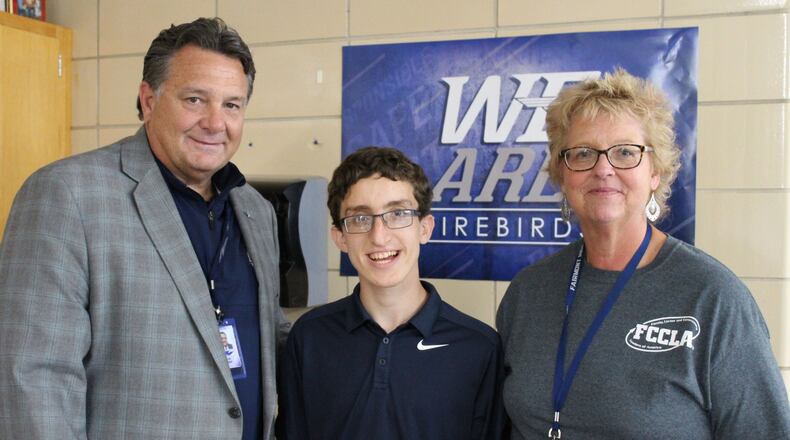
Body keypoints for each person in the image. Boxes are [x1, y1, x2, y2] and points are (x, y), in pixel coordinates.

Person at [0, 17, 289, 440]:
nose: (215, 123)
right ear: (148, 100)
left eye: (232, 105)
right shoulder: (68, 195)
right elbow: (33, 381)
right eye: (195, 99)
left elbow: (270, 341)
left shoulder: (255, 211)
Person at [496, 68, 790, 439]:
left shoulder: (713, 298)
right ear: (562, 174)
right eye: (583, 153)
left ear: (655, 172)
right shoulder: (528, 292)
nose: (603, 169)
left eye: (625, 152)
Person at [276, 146, 506, 439]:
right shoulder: (309, 337)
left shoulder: (479, 347)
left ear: (425, 228)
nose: (379, 236)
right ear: (340, 238)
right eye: (360, 218)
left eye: (397, 214)